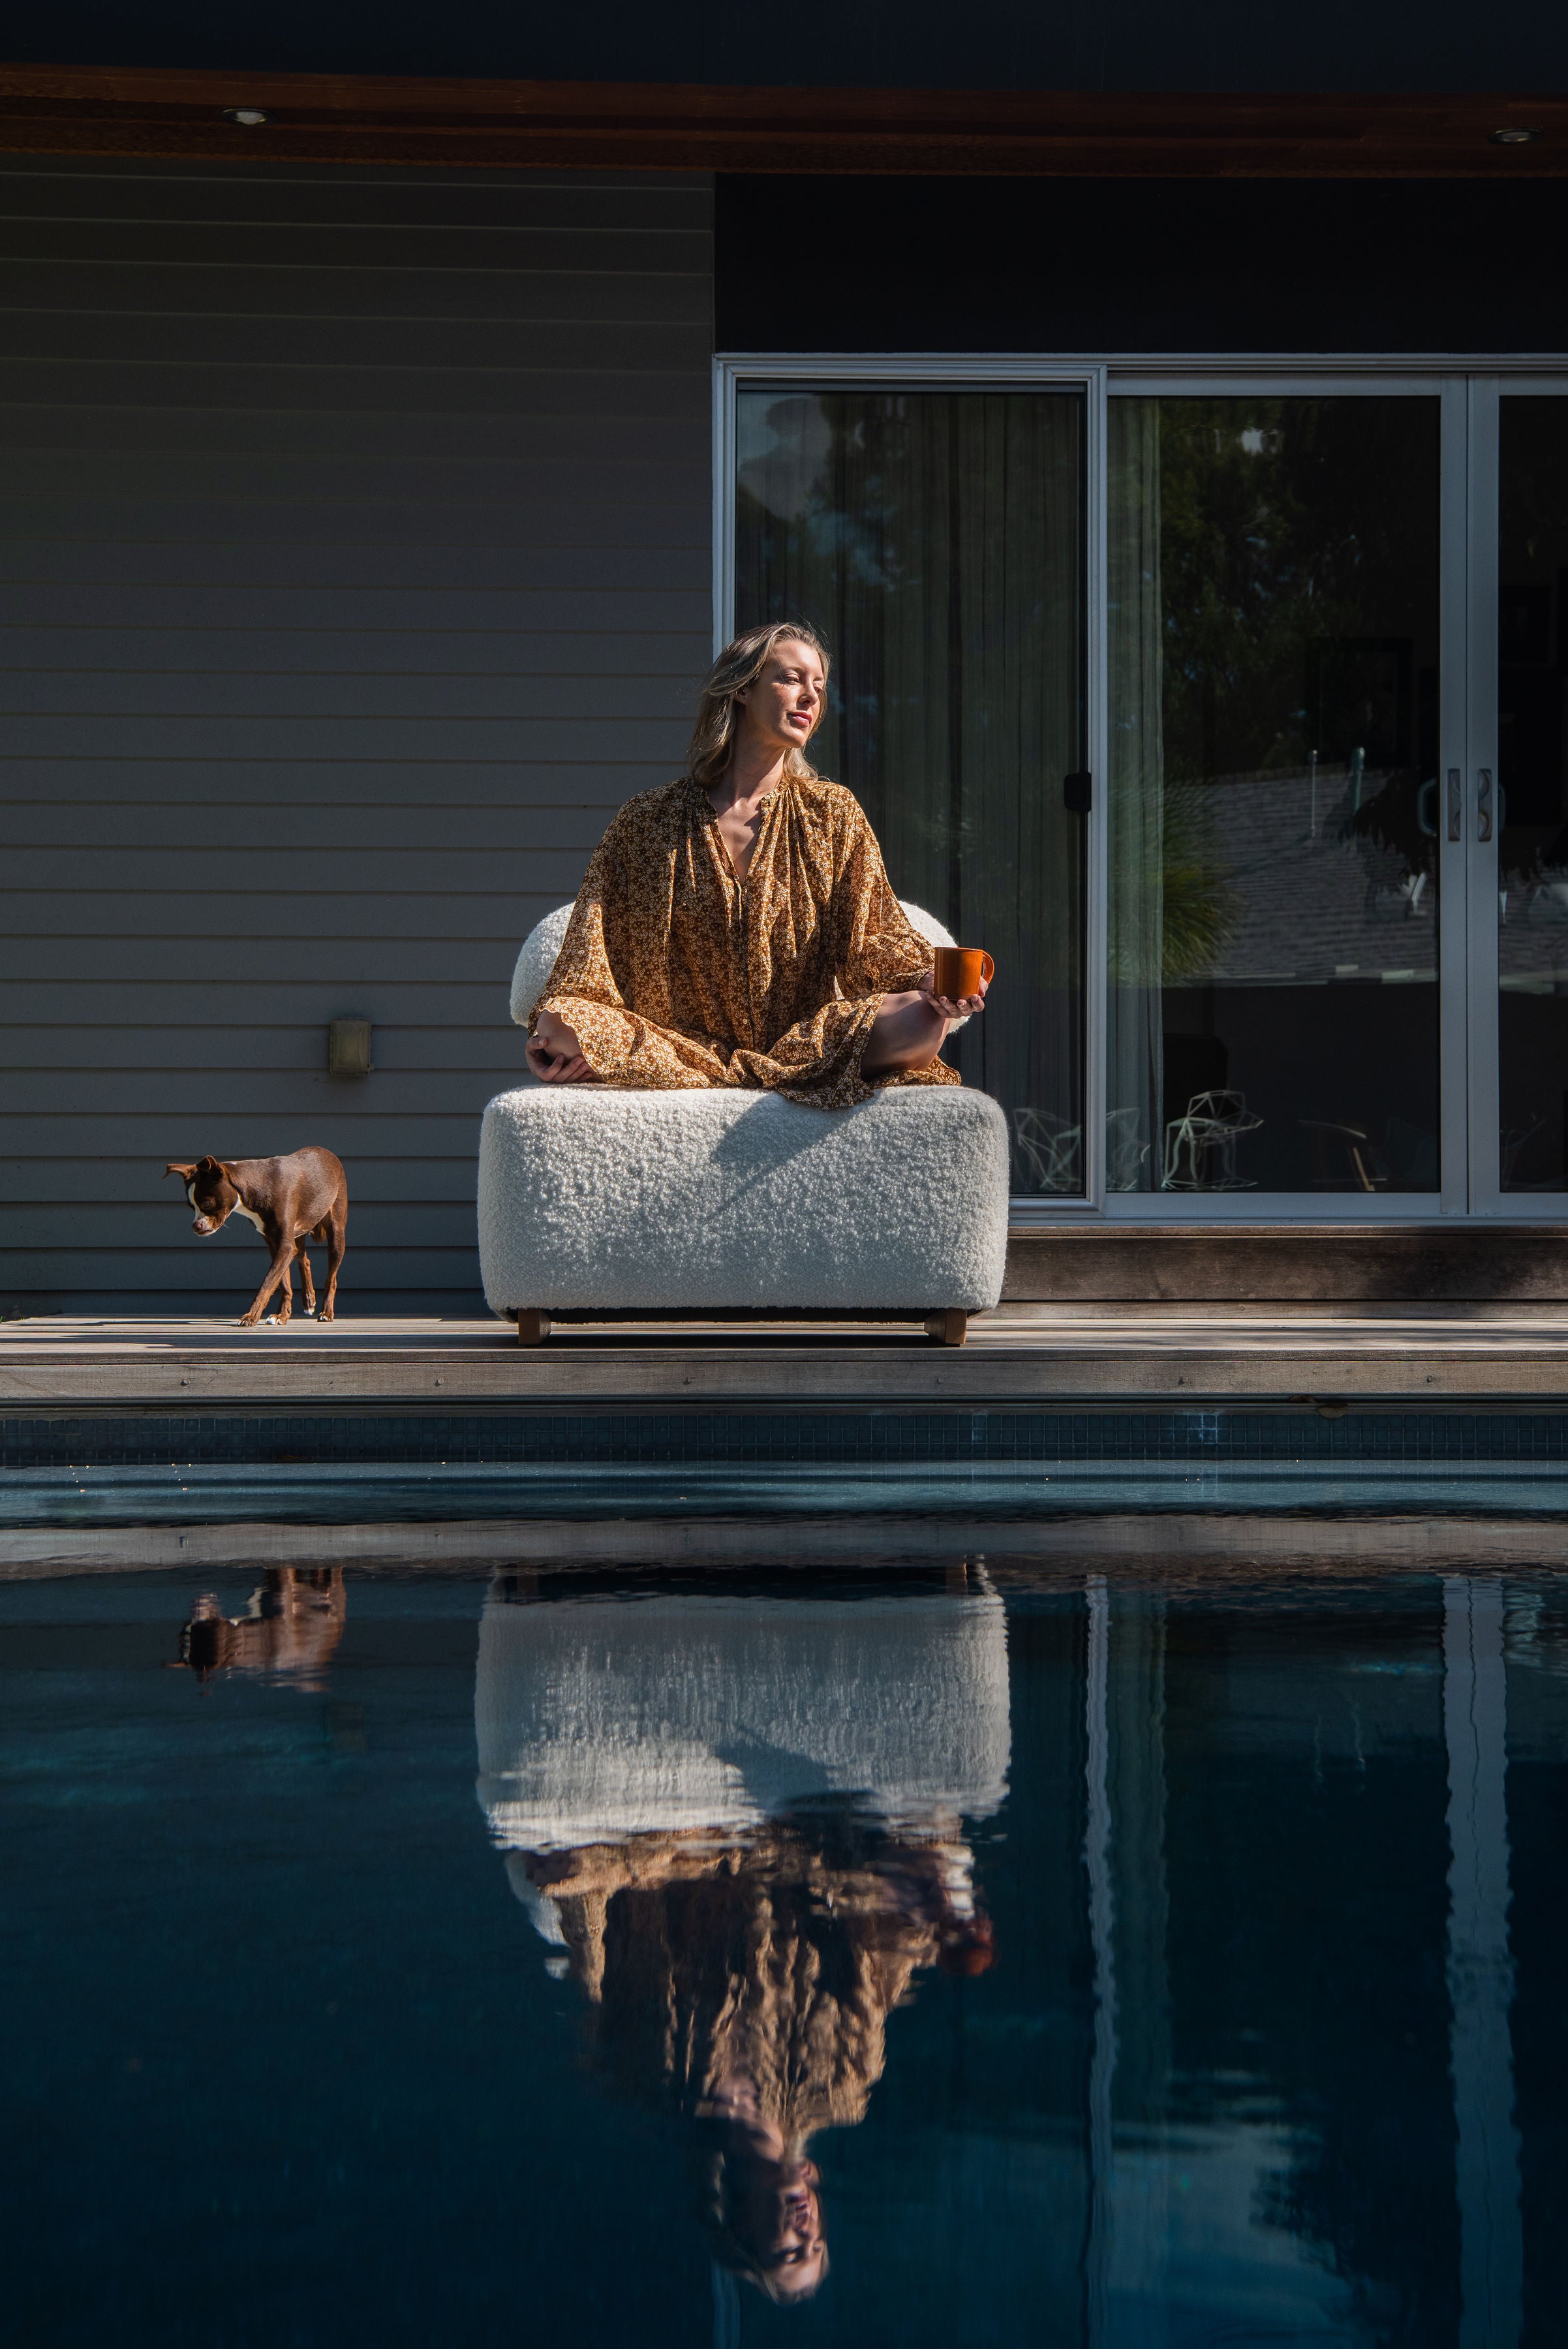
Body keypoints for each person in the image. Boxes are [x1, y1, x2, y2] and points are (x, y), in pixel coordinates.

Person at [526, 621, 988, 1109]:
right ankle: (704, 1070)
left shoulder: (831, 812)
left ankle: (758, 1070)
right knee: (559, 1027)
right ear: (742, 688)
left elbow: (871, 932)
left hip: (807, 1043)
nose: (810, 697)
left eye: (819, 686)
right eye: (791, 679)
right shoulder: (647, 820)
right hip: (678, 1043)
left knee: (920, 1020)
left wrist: (927, 982)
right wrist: (554, 1033)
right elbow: (591, 944)